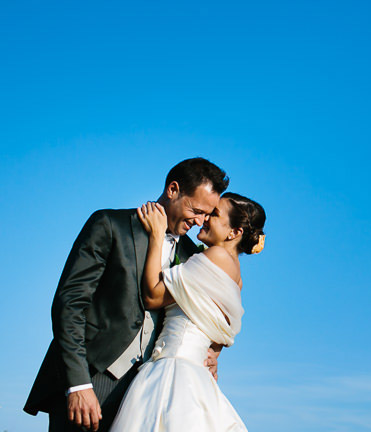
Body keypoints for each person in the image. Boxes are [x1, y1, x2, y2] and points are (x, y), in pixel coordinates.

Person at [24, 158, 229, 432]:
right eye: (196, 210)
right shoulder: (110, 225)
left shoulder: (193, 256)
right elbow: (70, 305)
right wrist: (79, 384)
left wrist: (213, 351)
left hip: (147, 394)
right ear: (173, 190)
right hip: (91, 380)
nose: (200, 221)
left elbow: (211, 311)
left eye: (208, 214)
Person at [109, 192, 265, 432]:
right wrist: (214, 354)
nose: (203, 220)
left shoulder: (215, 256)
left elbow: (152, 295)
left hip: (173, 370)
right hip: (196, 373)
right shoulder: (237, 278)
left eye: (214, 214)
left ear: (234, 233)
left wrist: (156, 235)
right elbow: (220, 332)